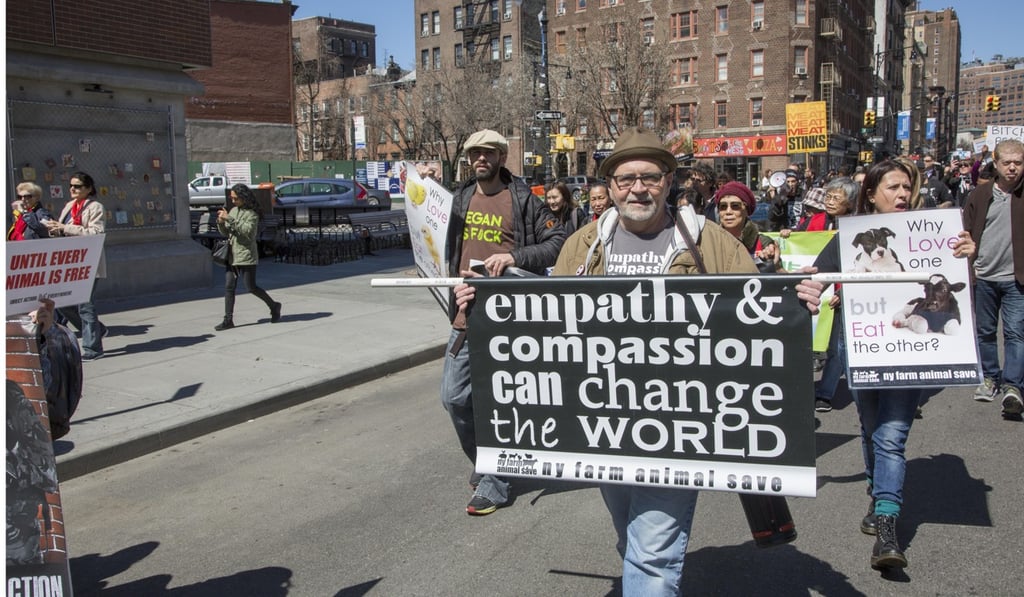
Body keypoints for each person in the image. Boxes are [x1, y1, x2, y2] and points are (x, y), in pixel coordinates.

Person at [540, 127, 820, 594]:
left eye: (649, 177)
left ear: (669, 181)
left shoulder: (712, 242)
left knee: (651, 555)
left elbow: (759, 317)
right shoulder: (582, 247)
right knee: (631, 531)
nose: (637, 188)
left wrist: (797, 302)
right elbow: (545, 325)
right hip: (603, 422)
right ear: (609, 187)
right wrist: (487, 306)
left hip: (680, 425)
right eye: (625, 179)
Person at [813, 159, 975, 570]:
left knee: (891, 435)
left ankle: (887, 524)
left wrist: (967, 255)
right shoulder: (847, 236)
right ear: (870, 193)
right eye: (892, 187)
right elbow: (816, 274)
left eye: (907, 187)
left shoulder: (935, 233)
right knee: (870, 427)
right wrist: (805, 285)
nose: (902, 194)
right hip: (863, 348)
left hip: (908, 353)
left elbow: (954, 280)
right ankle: (877, 492)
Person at [437, 129, 565, 516]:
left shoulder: (523, 198)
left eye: (488, 153)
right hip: (465, 312)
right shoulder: (459, 197)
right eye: (474, 153)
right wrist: (423, 186)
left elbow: (558, 241)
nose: (480, 159)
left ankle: (495, 482)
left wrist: (515, 258)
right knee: (454, 397)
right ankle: (484, 458)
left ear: (501, 157)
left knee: (499, 403)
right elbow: (431, 222)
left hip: (509, 321)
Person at [962, 139, 1023, 415]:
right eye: (1006, 163)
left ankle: (1013, 386)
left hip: (1016, 278)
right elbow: (963, 232)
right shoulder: (979, 195)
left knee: (1015, 333)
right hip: (983, 276)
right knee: (985, 332)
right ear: (996, 164)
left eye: (1018, 163)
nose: (1012, 168)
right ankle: (990, 377)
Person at [44, 172, 107, 361]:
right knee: (64, 304)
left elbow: (96, 232)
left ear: (88, 188)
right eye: (71, 185)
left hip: (89, 263)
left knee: (86, 306)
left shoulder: (95, 207)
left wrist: (65, 228)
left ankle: (93, 348)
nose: (73, 189)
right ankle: (97, 329)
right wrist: (55, 229)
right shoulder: (70, 206)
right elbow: (65, 229)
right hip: (70, 263)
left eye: (78, 186)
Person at [811, 177, 858, 413]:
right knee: (833, 347)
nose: (829, 202)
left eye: (835, 198)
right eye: (827, 196)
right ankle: (824, 392)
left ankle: (826, 393)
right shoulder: (816, 222)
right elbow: (812, 262)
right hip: (822, 295)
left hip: (846, 296)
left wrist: (844, 289)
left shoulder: (858, 227)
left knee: (841, 346)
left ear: (850, 203)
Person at [213, 183, 281, 331]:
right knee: (229, 287)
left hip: (246, 255)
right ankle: (228, 319)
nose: (233, 201)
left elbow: (248, 232)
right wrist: (221, 223)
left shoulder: (252, 214)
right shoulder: (233, 210)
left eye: (236, 198)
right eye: (231, 198)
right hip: (232, 255)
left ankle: (274, 305)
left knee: (251, 287)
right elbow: (227, 233)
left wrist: (229, 219)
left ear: (244, 198)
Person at [714, 181, 780, 273]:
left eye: (735, 206)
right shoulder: (710, 242)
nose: (728, 211)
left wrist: (773, 265)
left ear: (746, 210)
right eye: (723, 206)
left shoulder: (763, 243)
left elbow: (782, 275)